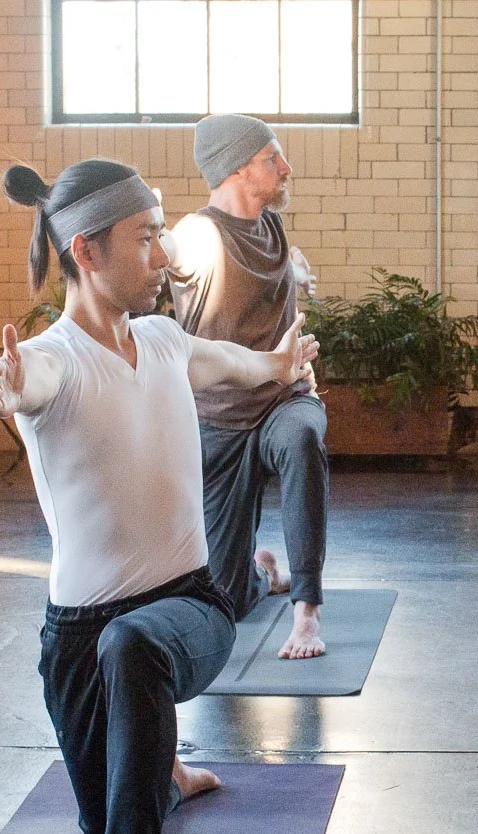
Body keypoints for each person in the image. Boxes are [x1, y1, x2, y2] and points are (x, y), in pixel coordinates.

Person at [0, 159, 320, 834]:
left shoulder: (166, 341)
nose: (166, 253)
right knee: (106, 823)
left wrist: (279, 367)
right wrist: (12, 385)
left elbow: (229, 362)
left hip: (188, 610)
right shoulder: (51, 360)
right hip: (79, 636)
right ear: (86, 251)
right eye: (147, 237)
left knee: (134, 649)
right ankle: (162, 768)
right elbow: (34, 384)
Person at [168, 114, 329, 659]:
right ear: (238, 168)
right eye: (271, 159)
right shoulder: (198, 236)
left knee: (303, 437)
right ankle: (260, 574)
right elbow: (167, 253)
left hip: (284, 401)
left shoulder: (271, 227)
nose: (286, 167)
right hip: (217, 416)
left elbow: (283, 266)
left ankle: (306, 612)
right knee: (226, 596)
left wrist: (298, 268)